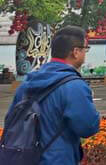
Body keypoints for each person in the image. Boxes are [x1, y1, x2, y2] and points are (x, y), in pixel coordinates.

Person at [5, 26, 100, 164]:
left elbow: (10, 120)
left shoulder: (28, 82)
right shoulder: (75, 86)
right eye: (85, 49)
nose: (85, 53)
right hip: (58, 159)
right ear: (75, 52)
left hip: (25, 158)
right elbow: (87, 127)